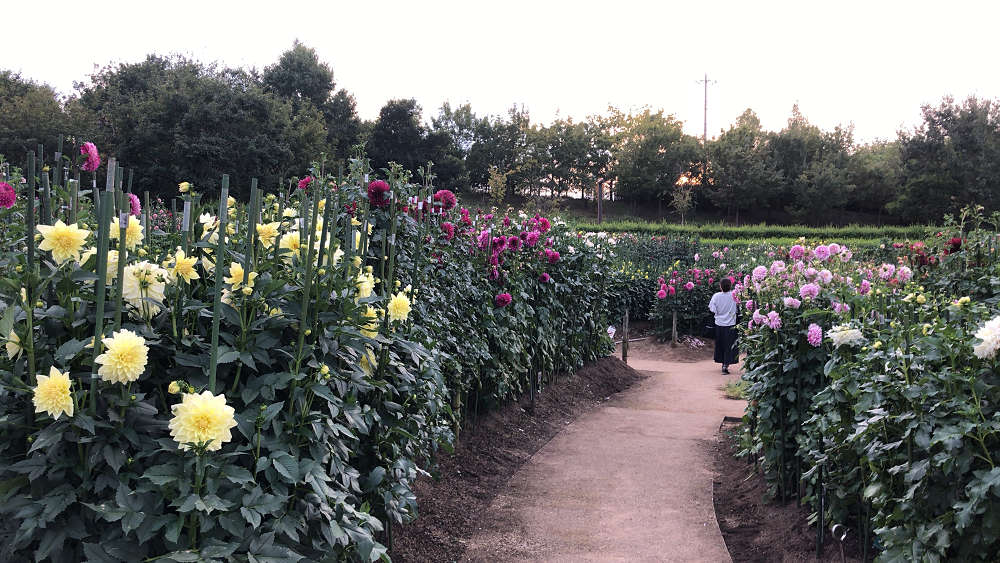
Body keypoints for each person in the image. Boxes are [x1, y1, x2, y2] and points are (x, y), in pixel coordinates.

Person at [709, 277, 738, 374]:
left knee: (720, 344)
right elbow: (738, 308)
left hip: (719, 324)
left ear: (720, 286)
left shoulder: (716, 296)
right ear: (730, 286)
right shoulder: (734, 295)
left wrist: (719, 312)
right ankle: (726, 364)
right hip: (731, 324)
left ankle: (723, 363)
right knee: (729, 345)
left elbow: (712, 309)